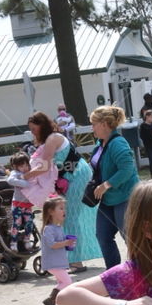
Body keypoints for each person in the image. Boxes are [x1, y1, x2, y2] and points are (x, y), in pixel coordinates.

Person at [24, 110, 101, 271]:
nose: (32, 132)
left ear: (41, 125)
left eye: (34, 129)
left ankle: (76, 261)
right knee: (70, 217)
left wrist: (27, 176)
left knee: (70, 217)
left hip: (77, 175)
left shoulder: (52, 139)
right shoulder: (51, 139)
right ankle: (74, 258)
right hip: (74, 175)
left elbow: (44, 166)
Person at [87, 104, 140, 268]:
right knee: (103, 236)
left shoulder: (118, 143)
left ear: (104, 124)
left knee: (130, 237)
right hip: (108, 199)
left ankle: (144, 272)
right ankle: (114, 274)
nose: (92, 128)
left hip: (125, 197)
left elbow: (127, 168)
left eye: (94, 124)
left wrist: (106, 184)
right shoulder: (101, 143)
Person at [39, 196, 75, 305]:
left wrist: (67, 243)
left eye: (64, 208)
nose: (64, 211)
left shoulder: (58, 228)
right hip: (53, 262)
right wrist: (65, 243)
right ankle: (51, 300)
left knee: (62, 284)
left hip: (58, 262)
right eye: (60, 208)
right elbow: (52, 245)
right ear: (51, 212)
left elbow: (58, 244)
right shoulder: (48, 229)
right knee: (67, 282)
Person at [5, 152, 37, 251]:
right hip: (17, 204)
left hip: (27, 204)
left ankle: (27, 240)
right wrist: (25, 183)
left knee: (29, 222)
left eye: (26, 165)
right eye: (22, 166)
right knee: (17, 223)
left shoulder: (30, 172)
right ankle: (13, 242)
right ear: (16, 166)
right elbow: (10, 180)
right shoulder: (16, 173)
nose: (25, 168)